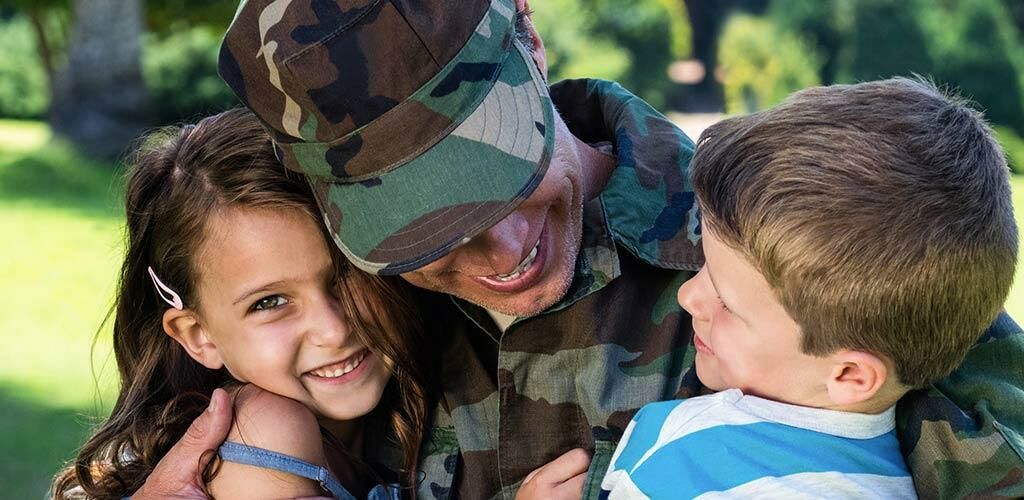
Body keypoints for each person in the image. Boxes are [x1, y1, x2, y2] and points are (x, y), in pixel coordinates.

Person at [136, 0, 1024, 498]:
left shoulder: (786, 251)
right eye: (428, 227)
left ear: (527, 29)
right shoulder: (343, 317)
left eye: (510, 172)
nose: (506, 249)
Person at [600, 78, 1016, 498]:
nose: (688, 296)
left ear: (850, 374)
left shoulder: (733, 474)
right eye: (704, 265)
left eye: (727, 303)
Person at [50, 109, 434, 499]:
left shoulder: (426, 399)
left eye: (347, 273)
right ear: (199, 336)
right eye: (269, 302)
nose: (333, 329)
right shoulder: (264, 429)